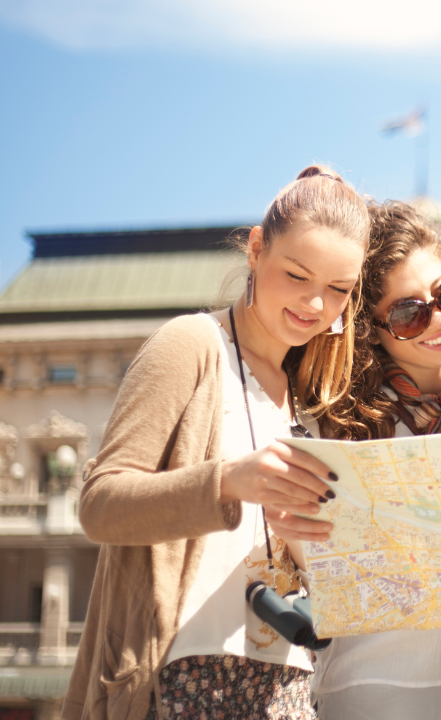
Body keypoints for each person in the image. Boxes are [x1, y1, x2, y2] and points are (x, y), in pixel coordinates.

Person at [64, 166, 369, 720]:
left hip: (287, 689)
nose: (316, 305)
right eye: (298, 275)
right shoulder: (192, 344)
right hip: (177, 679)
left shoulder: (306, 403)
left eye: (338, 290)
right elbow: (99, 504)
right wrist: (227, 480)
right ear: (256, 249)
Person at [309, 200, 441, 720]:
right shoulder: (339, 427)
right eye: (409, 313)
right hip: (370, 690)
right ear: (371, 328)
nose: (439, 319)